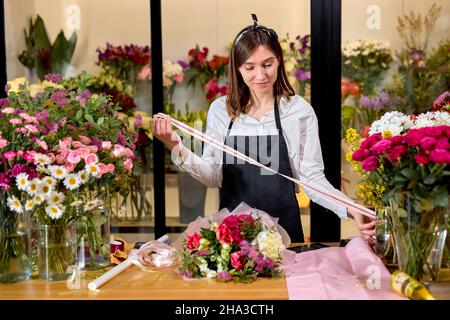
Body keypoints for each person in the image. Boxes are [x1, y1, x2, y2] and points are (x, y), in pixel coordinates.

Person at [152, 16, 375, 243]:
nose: (261, 75)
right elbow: (211, 175)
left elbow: (313, 180)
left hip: (285, 237)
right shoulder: (221, 110)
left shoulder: (297, 111)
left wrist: (352, 208)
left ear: (279, 60)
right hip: (233, 239)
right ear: (237, 68)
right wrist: (175, 145)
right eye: (250, 67)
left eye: (268, 64)